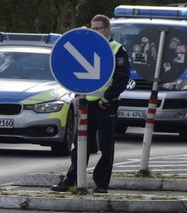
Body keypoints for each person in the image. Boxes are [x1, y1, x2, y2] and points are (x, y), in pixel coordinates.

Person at [51, 14, 131, 193]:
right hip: (86, 103)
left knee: (105, 146)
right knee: (80, 145)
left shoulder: (117, 50)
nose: (93, 32)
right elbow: (77, 74)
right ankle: (72, 180)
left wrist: (107, 98)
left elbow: (121, 79)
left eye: (97, 28)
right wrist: (79, 94)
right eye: (91, 28)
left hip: (105, 105)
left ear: (107, 29)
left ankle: (101, 184)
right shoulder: (87, 48)